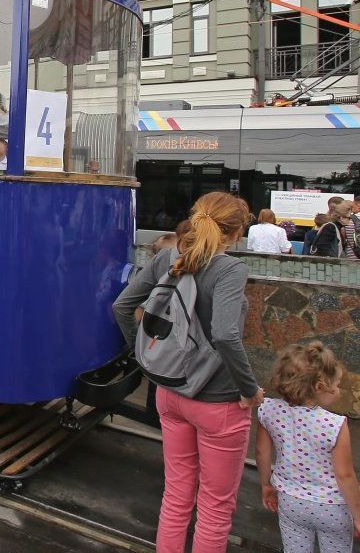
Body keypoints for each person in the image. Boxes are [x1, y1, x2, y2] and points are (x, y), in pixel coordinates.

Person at [112, 191, 262, 552]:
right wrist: (249, 389)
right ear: (237, 231)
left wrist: (145, 359)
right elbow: (225, 335)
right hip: (219, 402)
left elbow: (122, 306)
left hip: (170, 391)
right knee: (215, 506)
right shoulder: (230, 269)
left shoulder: (168, 256)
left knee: (177, 493)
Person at [257, 341, 360, 553]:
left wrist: (266, 484)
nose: (339, 390)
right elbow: (345, 475)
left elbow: (261, 452)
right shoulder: (334, 424)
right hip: (332, 509)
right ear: (320, 387)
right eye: (337, 384)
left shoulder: (269, 410)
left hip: (290, 502)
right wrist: (358, 515)